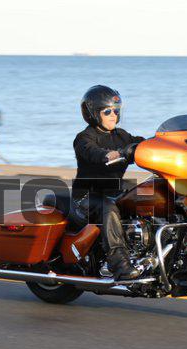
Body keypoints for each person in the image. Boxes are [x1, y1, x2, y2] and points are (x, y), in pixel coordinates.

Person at [72, 85, 145, 280]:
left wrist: (164, 143)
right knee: (109, 208)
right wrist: (108, 155)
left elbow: (142, 143)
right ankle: (119, 265)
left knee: (148, 196)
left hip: (113, 192)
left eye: (116, 111)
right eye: (107, 111)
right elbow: (90, 151)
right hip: (86, 197)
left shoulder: (121, 136)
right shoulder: (84, 138)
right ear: (93, 113)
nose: (113, 115)